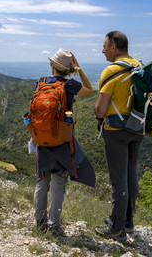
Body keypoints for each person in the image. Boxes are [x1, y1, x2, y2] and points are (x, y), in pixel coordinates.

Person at [33, 49, 94, 236]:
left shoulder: (40, 83)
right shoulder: (70, 85)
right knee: (59, 182)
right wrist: (79, 68)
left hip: (41, 139)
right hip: (62, 140)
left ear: (52, 66)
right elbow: (89, 89)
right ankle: (54, 225)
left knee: (42, 182)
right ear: (68, 70)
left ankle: (40, 223)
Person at [94, 31, 144, 241]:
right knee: (131, 174)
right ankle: (128, 222)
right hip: (137, 127)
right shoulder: (139, 67)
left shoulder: (111, 71)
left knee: (118, 180)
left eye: (105, 46)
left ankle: (116, 228)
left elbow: (100, 110)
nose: (103, 50)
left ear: (114, 47)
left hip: (116, 131)